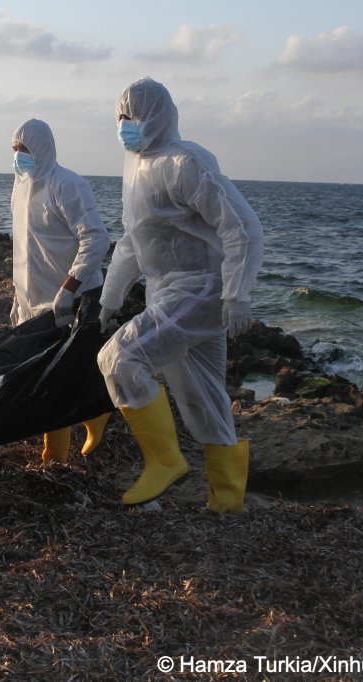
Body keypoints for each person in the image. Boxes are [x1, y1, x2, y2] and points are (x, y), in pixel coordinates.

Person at [97, 77, 263, 512]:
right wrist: (110, 299)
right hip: (167, 292)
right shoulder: (136, 167)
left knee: (119, 359)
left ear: (157, 115)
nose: (124, 126)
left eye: (130, 117)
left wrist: (236, 293)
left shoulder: (185, 161)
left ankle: (165, 461)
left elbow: (241, 226)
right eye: (119, 118)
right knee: (201, 394)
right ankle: (226, 501)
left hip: (201, 290)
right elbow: (133, 241)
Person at [10, 118, 113, 465]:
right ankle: (57, 451)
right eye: (14, 150)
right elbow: (24, 249)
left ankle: (90, 423)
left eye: (23, 150)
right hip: (35, 300)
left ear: (40, 149)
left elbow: (96, 238)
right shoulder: (20, 186)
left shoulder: (67, 184)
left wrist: (70, 287)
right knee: (48, 377)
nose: (18, 157)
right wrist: (17, 299)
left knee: (68, 373)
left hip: (75, 298)